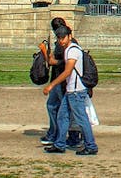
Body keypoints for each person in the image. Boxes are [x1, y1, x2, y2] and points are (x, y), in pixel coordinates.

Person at [43, 24, 98, 156]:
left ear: (69, 36)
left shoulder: (73, 50)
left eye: (63, 37)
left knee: (81, 119)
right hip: (71, 91)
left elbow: (67, 71)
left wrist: (51, 85)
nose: (61, 40)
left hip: (76, 91)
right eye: (59, 38)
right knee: (62, 117)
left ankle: (91, 145)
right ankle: (59, 144)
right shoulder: (68, 50)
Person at [39, 17, 81, 148]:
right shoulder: (65, 42)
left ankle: (65, 136)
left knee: (61, 109)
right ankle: (57, 134)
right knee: (55, 107)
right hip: (59, 80)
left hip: (62, 81)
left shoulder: (69, 44)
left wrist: (44, 52)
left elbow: (57, 62)